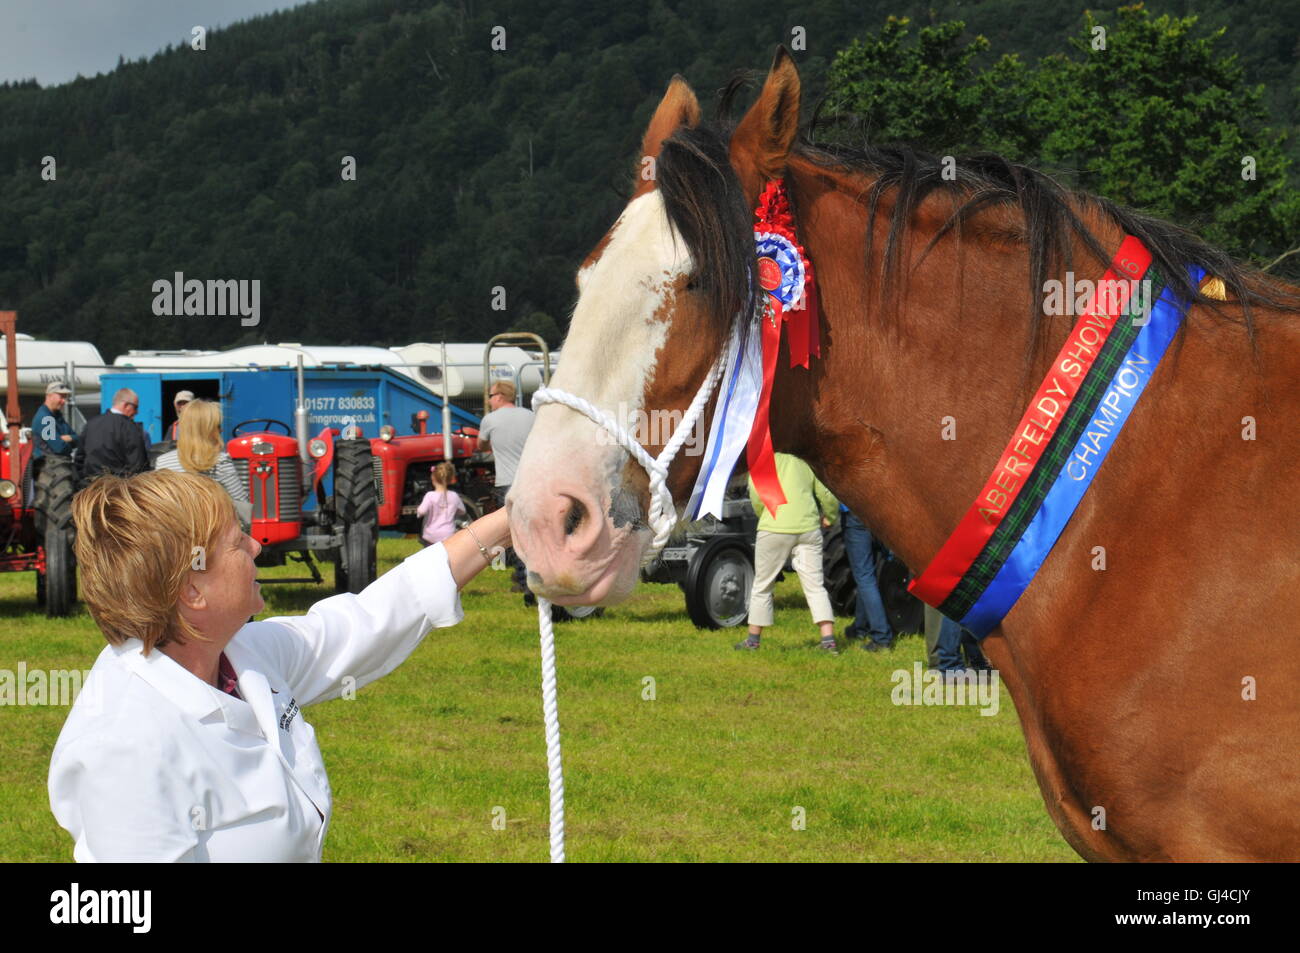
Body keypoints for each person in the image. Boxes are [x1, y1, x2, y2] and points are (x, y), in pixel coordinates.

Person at [48, 468, 512, 861]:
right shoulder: (124, 747)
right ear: (192, 591)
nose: (254, 547)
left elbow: (371, 620)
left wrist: (510, 522)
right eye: (235, 541)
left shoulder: (239, 654)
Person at [736, 453, 841, 653]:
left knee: (763, 585)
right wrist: (830, 516)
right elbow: (826, 493)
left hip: (773, 526)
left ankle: (753, 641)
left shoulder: (763, 457)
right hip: (808, 527)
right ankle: (828, 640)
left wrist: (764, 515)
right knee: (815, 586)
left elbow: (756, 495)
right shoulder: (805, 456)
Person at [154, 399, 251, 529]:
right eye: (217, 426)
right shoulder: (220, 461)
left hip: (178, 538)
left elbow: (160, 509)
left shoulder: (163, 462)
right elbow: (242, 509)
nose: (221, 430)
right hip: (213, 538)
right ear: (208, 430)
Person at [478, 380, 533, 592]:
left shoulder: (490, 420)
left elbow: (480, 446)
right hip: (531, 480)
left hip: (507, 484)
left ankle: (523, 580)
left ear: (499, 397)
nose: (490, 401)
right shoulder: (530, 416)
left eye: (491, 396)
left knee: (515, 533)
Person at [840, 503, 895, 652]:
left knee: (864, 577)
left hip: (855, 513)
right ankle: (860, 627)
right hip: (880, 512)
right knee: (869, 575)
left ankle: (881, 638)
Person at [81, 387, 150, 478]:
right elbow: (138, 465)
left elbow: (80, 459)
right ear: (126, 405)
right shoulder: (130, 427)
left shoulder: (91, 424)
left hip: (91, 486)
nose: (137, 412)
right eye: (135, 407)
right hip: (119, 487)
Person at [416, 461, 465, 547]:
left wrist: (418, 511)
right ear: (450, 479)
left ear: (433, 478)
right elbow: (462, 511)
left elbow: (422, 511)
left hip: (431, 535)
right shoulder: (454, 496)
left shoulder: (430, 495)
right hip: (449, 535)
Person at [31, 381, 78, 461]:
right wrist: (69, 441)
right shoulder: (45, 419)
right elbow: (60, 448)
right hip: (49, 469)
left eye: (65, 397)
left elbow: (78, 439)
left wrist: (69, 438)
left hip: (59, 466)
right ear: (49, 396)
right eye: (61, 397)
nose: (64, 401)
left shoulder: (57, 416)